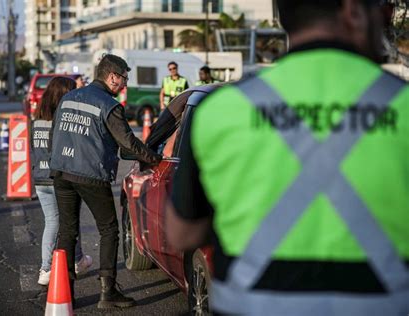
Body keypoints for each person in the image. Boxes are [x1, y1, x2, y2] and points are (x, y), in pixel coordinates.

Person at [166, 0, 409, 315]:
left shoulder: (223, 109)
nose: (386, 14)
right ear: (352, 10)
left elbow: (181, 233)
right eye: (381, 6)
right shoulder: (401, 104)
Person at [50, 54, 162, 309]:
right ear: (112, 76)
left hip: (61, 172)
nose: (124, 85)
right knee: (109, 230)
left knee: (67, 231)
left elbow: (55, 134)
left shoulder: (68, 98)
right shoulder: (108, 105)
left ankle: (65, 292)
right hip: (90, 174)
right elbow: (129, 143)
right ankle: (108, 292)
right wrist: (154, 159)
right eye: (123, 78)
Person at [30, 76, 93, 286]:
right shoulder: (62, 119)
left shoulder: (37, 119)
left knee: (55, 223)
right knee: (65, 222)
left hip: (40, 179)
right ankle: (47, 268)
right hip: (59, 178)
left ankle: (76, 260)